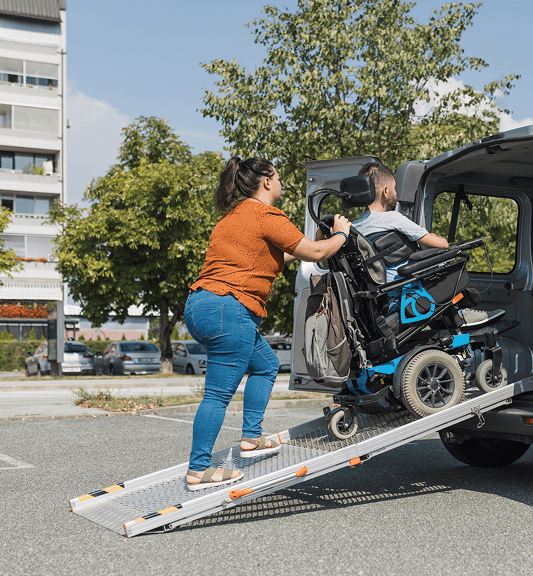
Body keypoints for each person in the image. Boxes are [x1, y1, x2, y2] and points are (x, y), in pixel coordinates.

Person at [182, 156, 351, 490]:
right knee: (217, 395)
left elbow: (284, 253)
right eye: (278, 175)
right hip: (229, 309)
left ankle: (251, 438)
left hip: (201, 304)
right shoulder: (266, 214)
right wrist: (342, 236)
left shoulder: (234, 216)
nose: (281, 180)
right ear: (267, 181)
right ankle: (198, 469)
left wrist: (316, 239)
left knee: (266, 364)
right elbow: (317, 254)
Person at [350, 161, 503, 328]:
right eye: (394, 188)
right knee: (449, 261)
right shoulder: (393, 219)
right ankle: (461, 315)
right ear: (385, 192)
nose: (396, 192)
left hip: (380, 301)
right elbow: (441, 244)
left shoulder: (354, 229)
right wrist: (436, 238)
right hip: (405, 296)